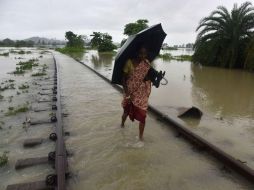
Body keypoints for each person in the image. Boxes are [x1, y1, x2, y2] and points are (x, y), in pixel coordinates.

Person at [121, 46, 152, 141]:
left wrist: (155, 78)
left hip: (141, 92)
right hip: (130, 91)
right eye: (140, 53)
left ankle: (140, 137)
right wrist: (127, 93)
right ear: (136, 53)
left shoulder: (146, 63)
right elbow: (123, 79)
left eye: (144, 54)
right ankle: (122, 124)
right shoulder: (129, 62)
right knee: (126, 111)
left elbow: (146, 77)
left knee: (143, 115)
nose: (142, 56)